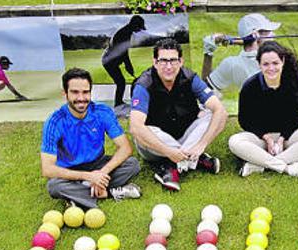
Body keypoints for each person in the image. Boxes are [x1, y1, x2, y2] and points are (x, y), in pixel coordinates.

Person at [130, 38, 227, 192]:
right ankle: (191, 160)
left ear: (181, 61)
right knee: (144, 129)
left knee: (215, 114)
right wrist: (169, 152)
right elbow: (135, 128)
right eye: (163, 61)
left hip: (185, 136)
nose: (169, 66)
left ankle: (171, 166)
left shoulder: (190, 78)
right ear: (155, 62)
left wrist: (201, 145)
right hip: (155, 145)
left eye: (173, 60)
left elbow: (220, 111)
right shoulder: (144, 84)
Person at [41, 68, 141, 210]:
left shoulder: (102, 112)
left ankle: (78, 196)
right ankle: (109, 193)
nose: (81, 98)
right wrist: (88, 177)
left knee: (132, 164)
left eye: (85, 92)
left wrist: (101, 173)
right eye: (75, 92)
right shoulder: (55, 122)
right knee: (54, 186)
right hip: (70, 170)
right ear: (65, 93)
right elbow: (48, 169)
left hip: (98, 164)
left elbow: (125, 148)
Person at [229, 41, 298, 180]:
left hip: (287, 137)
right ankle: (289, 168)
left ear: (282, 61)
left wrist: (281, 139)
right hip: (260, 138)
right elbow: (245, 120)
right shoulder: (250, 86)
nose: (271, 68)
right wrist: (266, 138)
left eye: (275, 63)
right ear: (259, 64)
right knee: (235, 141)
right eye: (265, 64)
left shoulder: (294, 82)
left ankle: (259, 164)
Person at [201, 13, 281, 95]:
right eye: (268, 31)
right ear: (255, 35)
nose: (273, 35)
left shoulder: (231, 64)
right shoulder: (276, 59)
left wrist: (208, 53)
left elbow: (205, 90)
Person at [101, 15, 146, 111]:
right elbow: (123, 53)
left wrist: (128, 65)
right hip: (109, 61)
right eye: (139, 27)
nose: (139, 30)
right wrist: (128, 66)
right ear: (134, 25)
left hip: (111, 60)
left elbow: (124, 52)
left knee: (121, 82)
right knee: (121, 82)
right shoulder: (123, 33)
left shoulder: (127, 32)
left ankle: (119, 102)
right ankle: (118, 104)